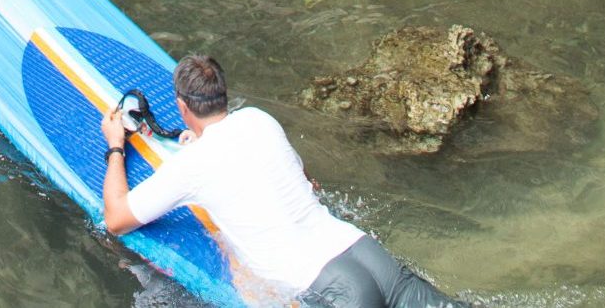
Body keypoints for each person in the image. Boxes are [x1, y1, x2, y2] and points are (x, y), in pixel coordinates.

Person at [98, 55, 467, 308]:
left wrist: (115, 146)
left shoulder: (191, 165)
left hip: (331, 287)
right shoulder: (260, 120)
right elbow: (309, 182)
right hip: (366, 254)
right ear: (223, 95)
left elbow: (116, 219)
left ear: (182, 107)